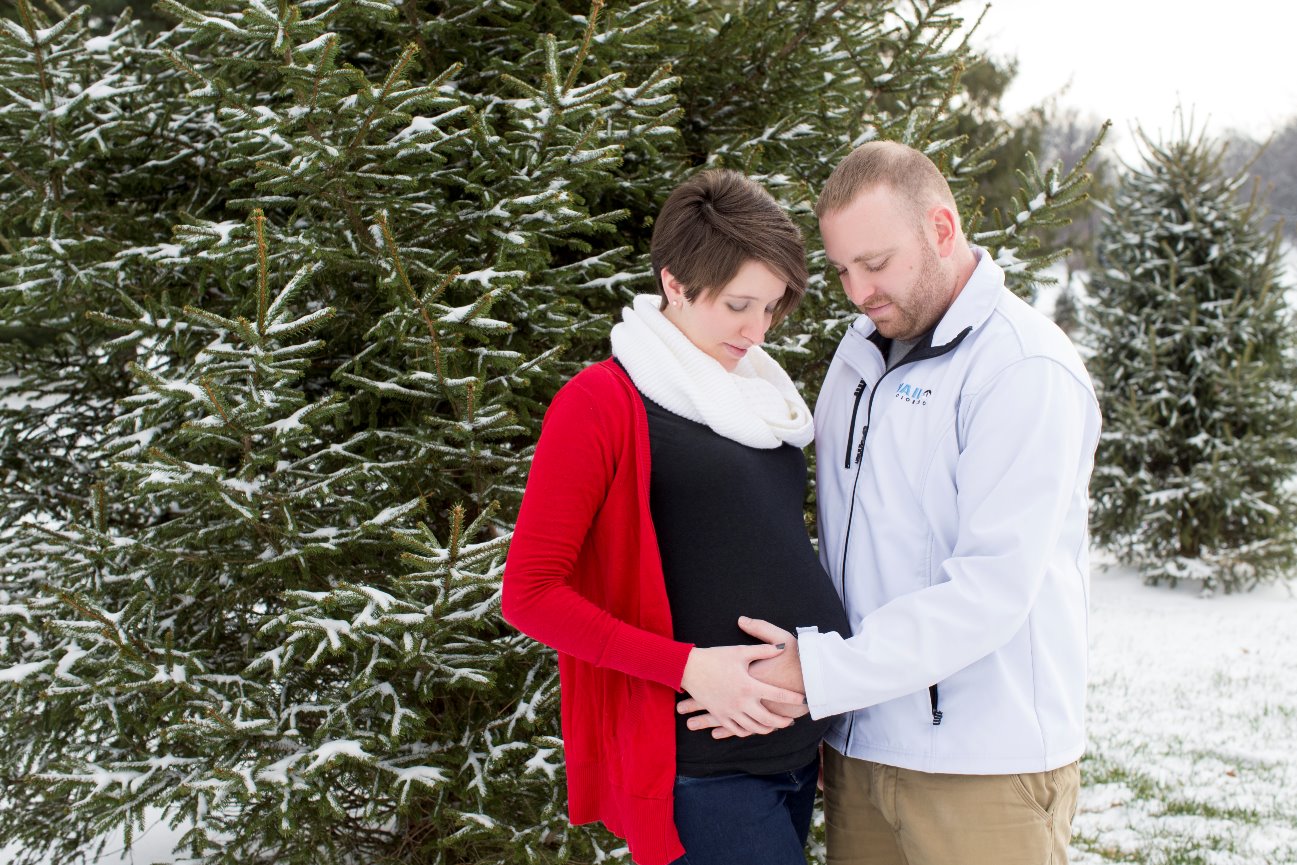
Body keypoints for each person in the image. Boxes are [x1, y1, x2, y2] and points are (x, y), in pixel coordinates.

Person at [679, 141, 1102, 865]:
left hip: (980, 766)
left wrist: (820, 673)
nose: (858, 290)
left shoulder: (1022, 368)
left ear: (941, 229)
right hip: (861, 747)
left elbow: (991, 589)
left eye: (874, 263)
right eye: (843, 270)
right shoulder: (859, 356)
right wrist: (826, 704)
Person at [501, 169, 850, 865]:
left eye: (771, 307)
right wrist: (688, 667)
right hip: (702, 769)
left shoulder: (759, 396)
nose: (758, 330)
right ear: (675, 283)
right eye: (738, 304)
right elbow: (529, 594)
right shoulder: (600, 403)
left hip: (792, 748)